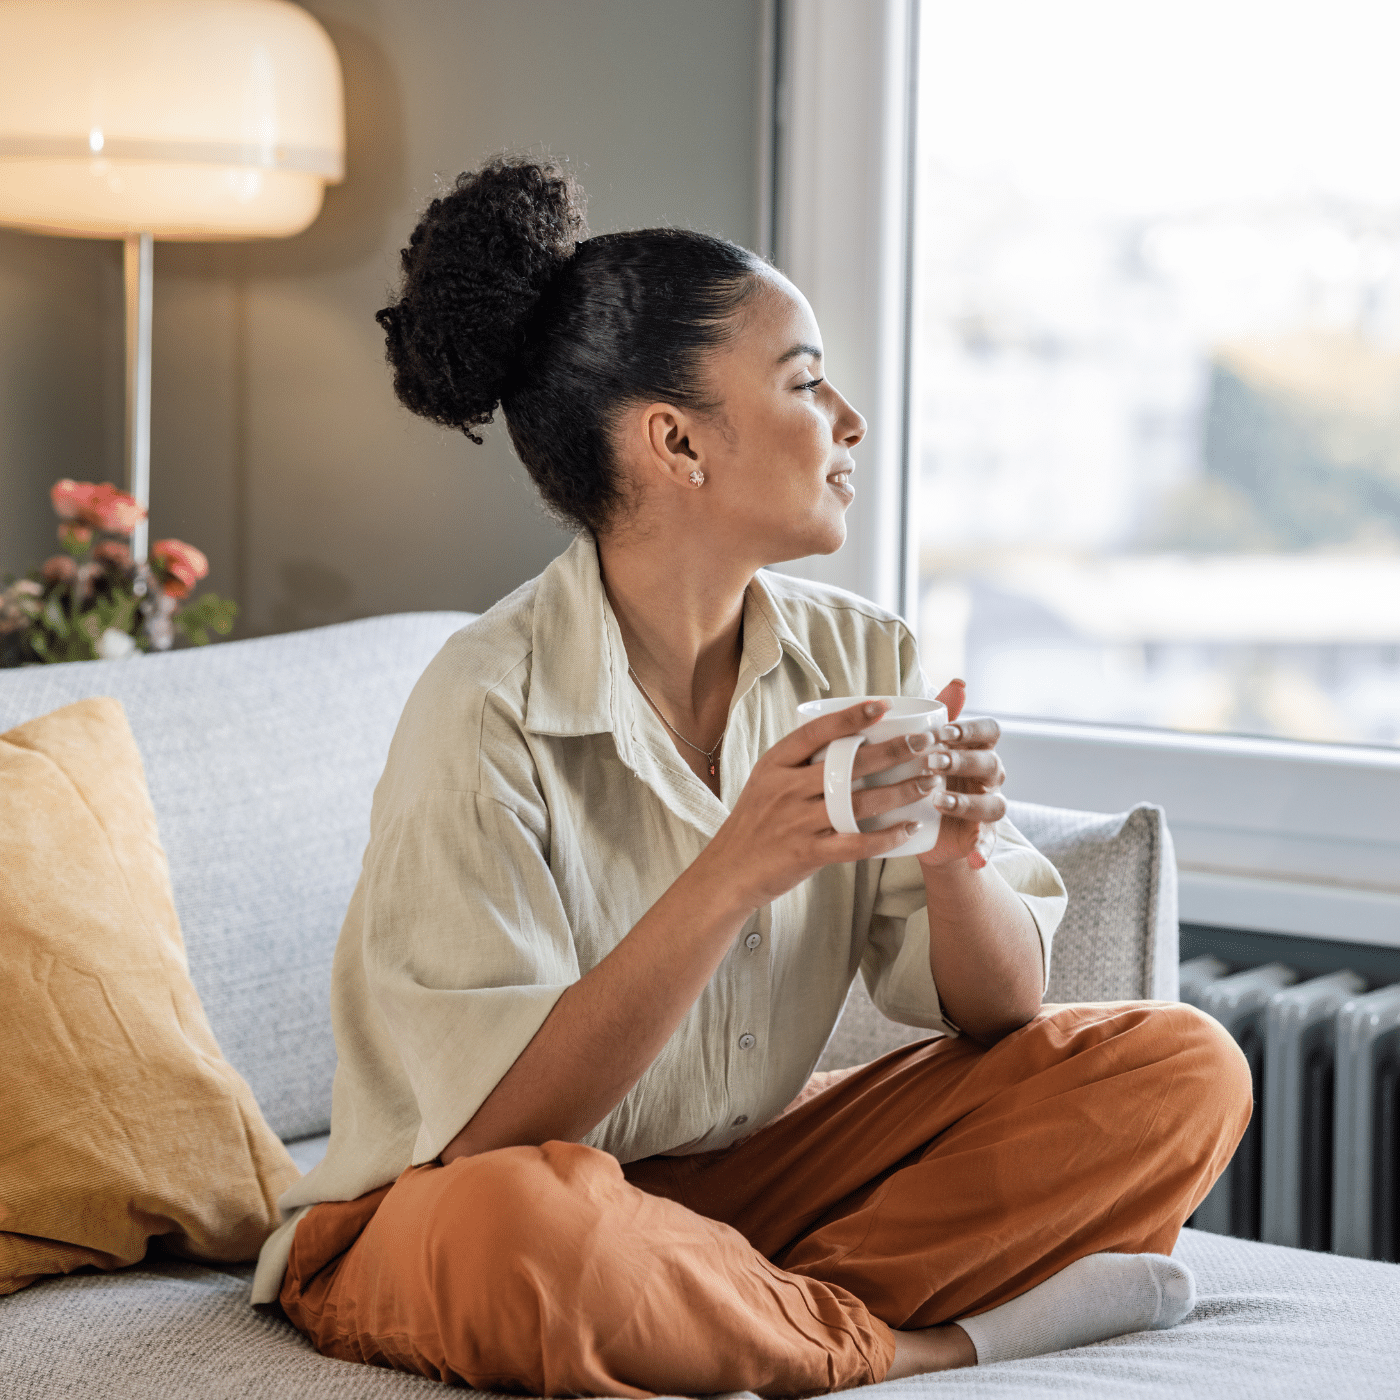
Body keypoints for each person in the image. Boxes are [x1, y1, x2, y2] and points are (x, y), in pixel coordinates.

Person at [252, 156, 1251, 1395]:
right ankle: (908, 1344)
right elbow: (493, 1132)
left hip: (740, 1184)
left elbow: (998, 1014)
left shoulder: (857, 652)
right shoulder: (483, 704)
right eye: (803, 381)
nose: (848, 420)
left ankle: (715, 1306)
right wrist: (735, 868)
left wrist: (953, 858)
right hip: (447, 1204)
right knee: (533, 1227)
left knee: (1181, 1066)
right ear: (674, 441)